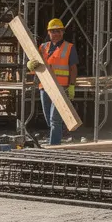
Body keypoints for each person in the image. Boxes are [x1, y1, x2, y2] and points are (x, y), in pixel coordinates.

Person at [26, 18, 77, 146]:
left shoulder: (69, 47)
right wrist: (30, 65)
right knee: (49, 118)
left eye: (58, 31)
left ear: (63, 32)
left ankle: (54, 145)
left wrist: (71, 85)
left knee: (55, 119)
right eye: (53, 31)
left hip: (61, 87)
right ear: (49, 33)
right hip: (44, 86)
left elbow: (73, 68)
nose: (56, 34)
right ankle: (61, 132)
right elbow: (35, 63)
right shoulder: (43, 47)